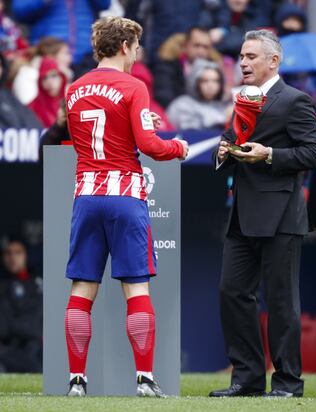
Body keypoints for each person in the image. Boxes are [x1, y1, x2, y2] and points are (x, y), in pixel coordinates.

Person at [64, 16, 188, 397]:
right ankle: (145, 380)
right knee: (136, 290)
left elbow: (91, 139)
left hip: (86, 195)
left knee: (82, 289)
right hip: (125, 196)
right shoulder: (134, 85)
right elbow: (149, 146)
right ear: (124, 47)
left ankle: (76, 383)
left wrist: (137, 128)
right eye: (136, 48)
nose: (137, 55)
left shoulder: (73, 89)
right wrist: (176, 147)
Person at [209, 29, 316, 398]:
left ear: (273, 61)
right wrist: (224, 152)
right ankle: (247, 378)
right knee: (232, 292)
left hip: (281, 215)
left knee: (280, 301)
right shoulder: (243, 99)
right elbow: (229, 142)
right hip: (242, 213)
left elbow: (314, 154)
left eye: (251, 56)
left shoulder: (296, 100)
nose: (243, 62)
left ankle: (288, 383)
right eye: (241, 56)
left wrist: (270, 155)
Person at [0, 237, 43, 373]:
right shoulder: (3, 286)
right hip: (8, 347)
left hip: (34, 346)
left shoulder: (38, 284)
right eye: (8, 253)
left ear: (26, 255)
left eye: (18, 252)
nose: (12, 258)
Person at [166, 59, 228, 130]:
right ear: (194, 82)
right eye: (205, 81)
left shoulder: (222, 106)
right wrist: (224, 120)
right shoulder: (182, 104)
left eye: (215, 81)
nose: (211, 86)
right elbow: (192, 134)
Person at [28, 57, 67, 127]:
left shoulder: (70, 102)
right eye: (44, 78)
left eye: (54, 76)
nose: (49, 82)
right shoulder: (32, 108)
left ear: (62, 78)